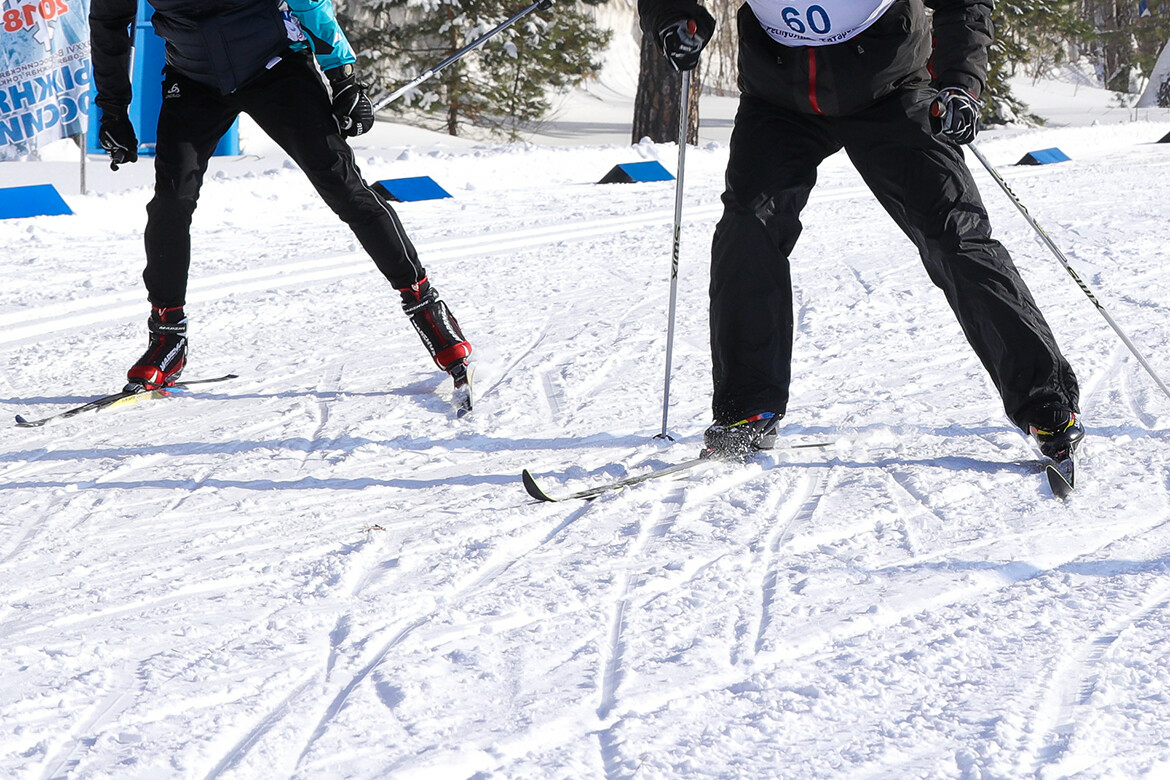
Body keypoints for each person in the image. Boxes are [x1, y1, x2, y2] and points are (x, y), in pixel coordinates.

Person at [638, 0, 1084, 462]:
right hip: (779, 99)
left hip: (889, 89)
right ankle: (747, 410)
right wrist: (673, 17)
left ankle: (1045, 403)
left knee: (953, 234)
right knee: (748, 227)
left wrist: (961, 84)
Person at [89, 0, 472, 398]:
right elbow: (110, 23)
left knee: (343, 188)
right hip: (194, 77)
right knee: (170, 201)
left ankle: (427, 309)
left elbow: (309, 2)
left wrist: (343, 77)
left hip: (275, 67)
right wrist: (113, 110)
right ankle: (168, 337)